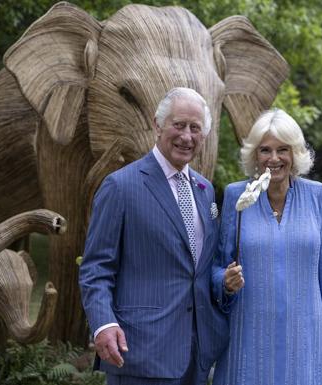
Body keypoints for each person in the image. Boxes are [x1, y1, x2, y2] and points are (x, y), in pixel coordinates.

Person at [79, 87, 241, 385]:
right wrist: (103, 324)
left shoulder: (205, 191)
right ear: (158, 125)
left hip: (198, 353)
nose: (187, 136)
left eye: (195, 128)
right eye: (179, 125)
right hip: (140, 351)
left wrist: (225, 284)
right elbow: (95, 269)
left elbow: (200, 270)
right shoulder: (120, 187)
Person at [212, 108, 322, 385]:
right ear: (254, 155)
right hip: (247, 333)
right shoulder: (236, 196)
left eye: (282, 149)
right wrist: (224, 281)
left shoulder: (315, 194)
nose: (274, 158)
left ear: (295, 153)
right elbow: (217, 266)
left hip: (305, 334)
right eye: (265, 150)